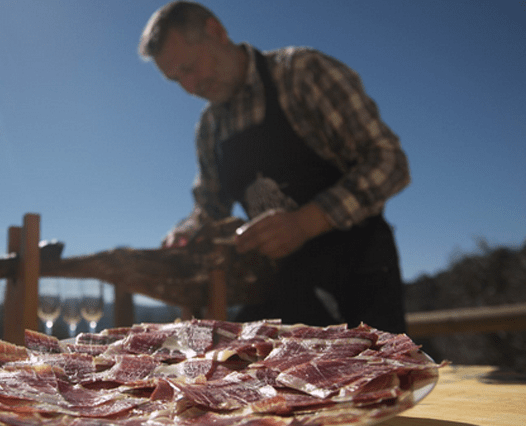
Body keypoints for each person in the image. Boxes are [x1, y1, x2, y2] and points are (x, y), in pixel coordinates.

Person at [139, 1, 410, 333]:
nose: (191, 87)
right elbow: (209, 209)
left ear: (216, 32)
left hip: (361, 272)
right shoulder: (210, 127)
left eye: (190, 67)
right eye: (176, 79)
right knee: (247, 373)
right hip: (282, 282)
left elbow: (389, 162)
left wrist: (307, 221)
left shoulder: (301, 73)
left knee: (376, 378)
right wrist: (183, 237)